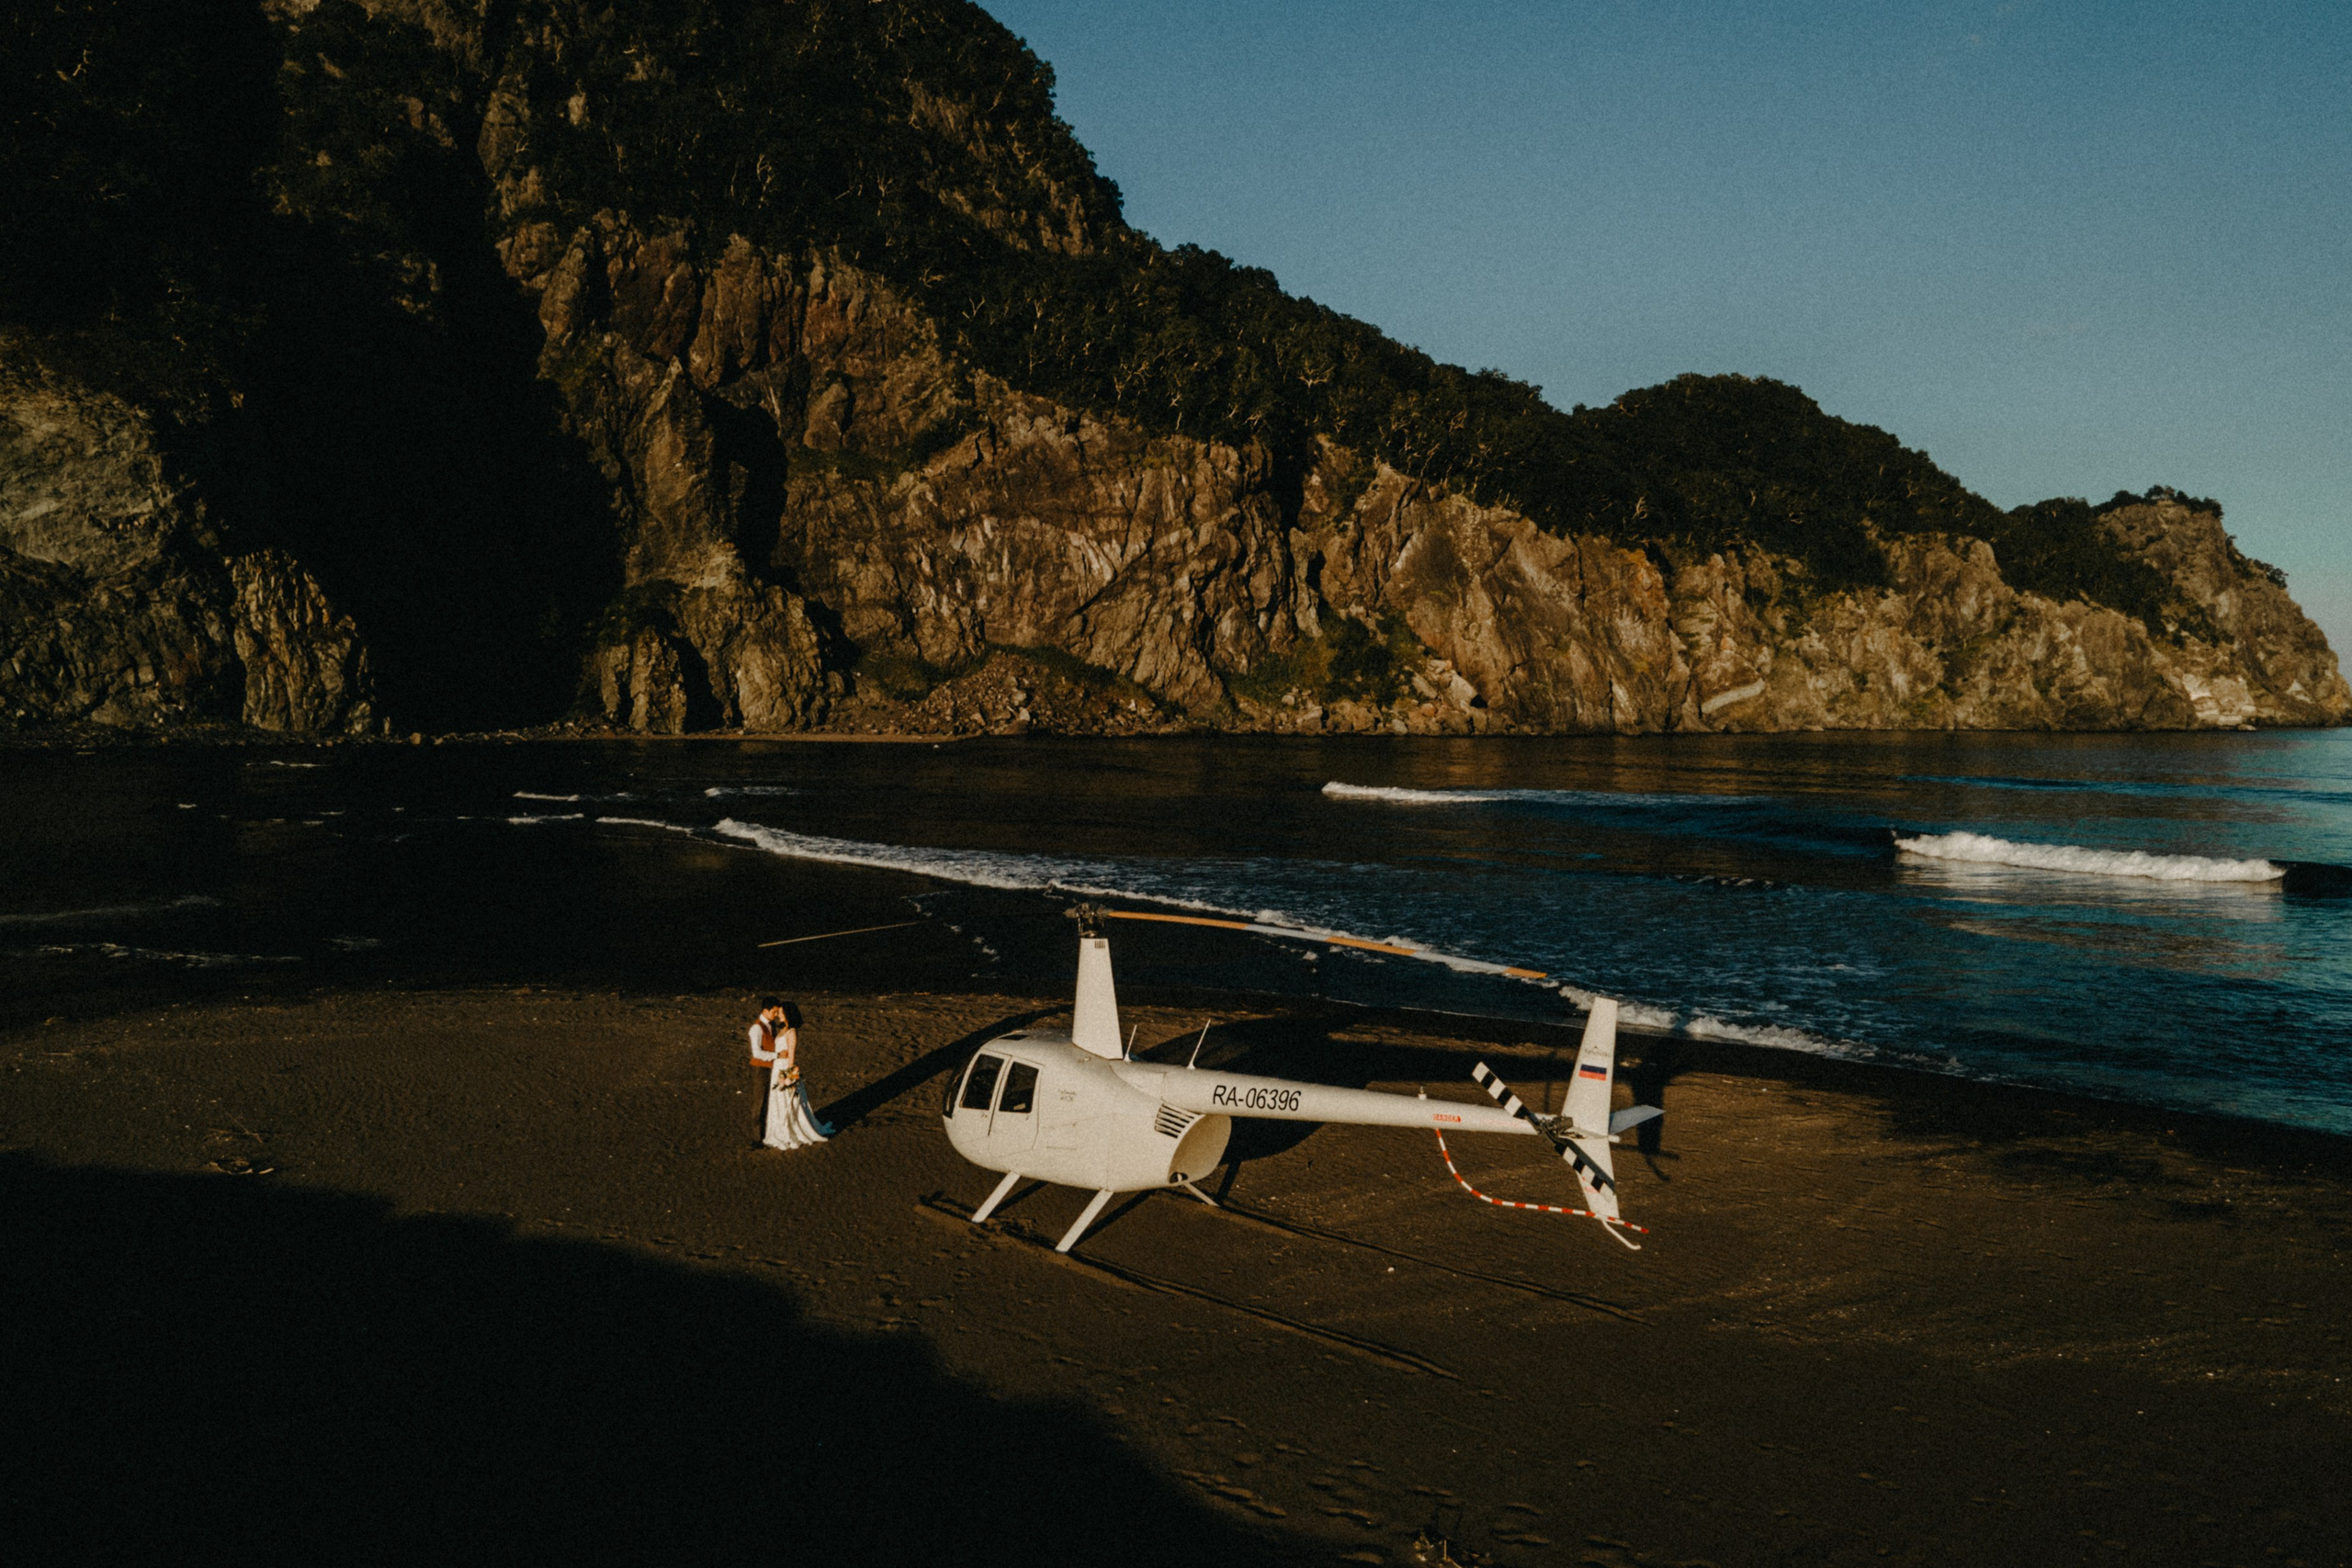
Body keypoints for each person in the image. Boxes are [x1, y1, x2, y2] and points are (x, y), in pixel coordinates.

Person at [752, 999, 831, 1150]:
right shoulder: (781, 1029)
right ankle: (778, 1130)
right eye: (778, 1012)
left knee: (788, 1100)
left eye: (781, 1012)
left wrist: (789, 1077)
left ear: (788, 1014)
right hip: (776, 1068)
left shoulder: (792, 1032)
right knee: (777, 1102)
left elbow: (792, 1056)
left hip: (784, 1069)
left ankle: (790, 1131)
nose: (778, 1015)